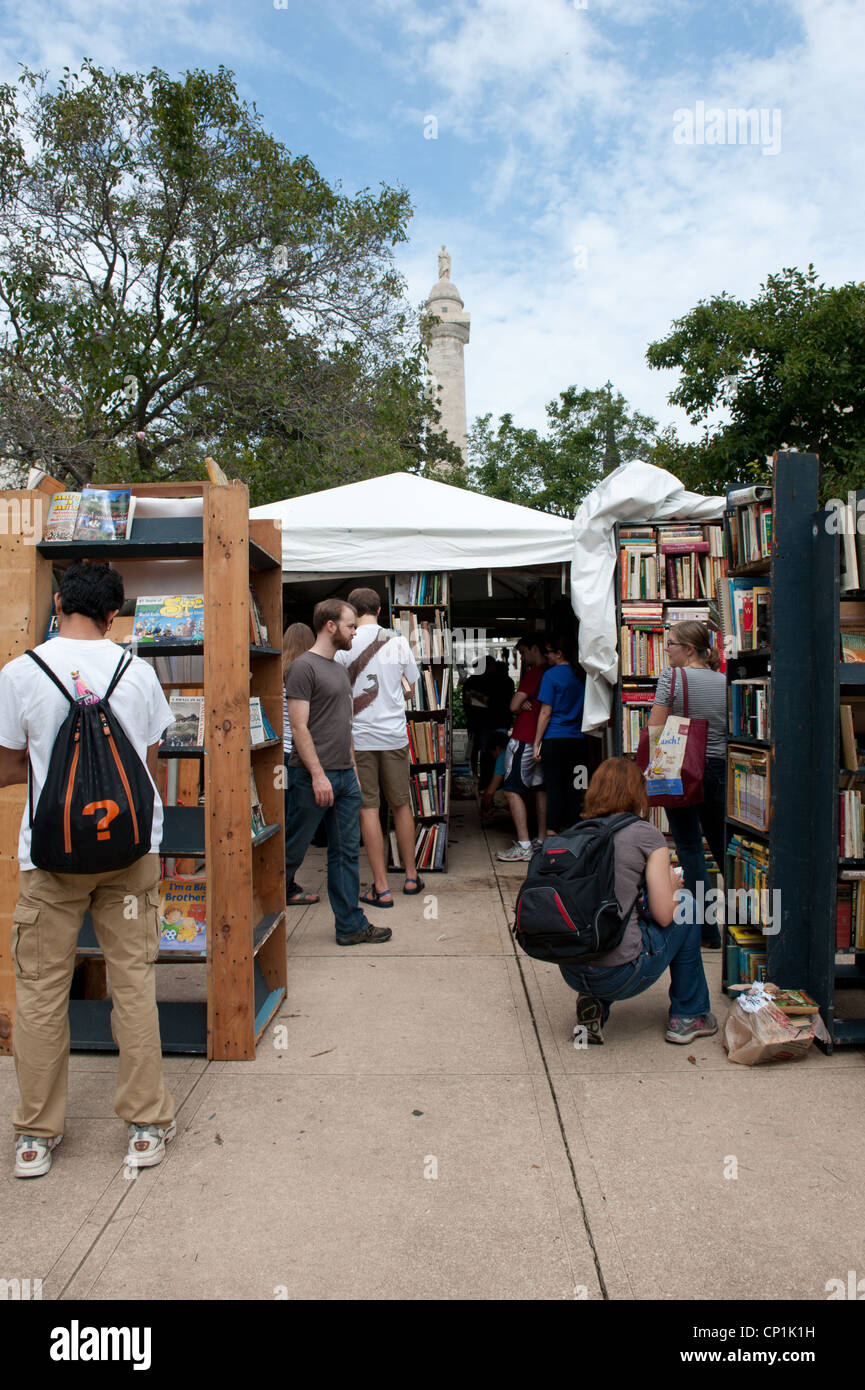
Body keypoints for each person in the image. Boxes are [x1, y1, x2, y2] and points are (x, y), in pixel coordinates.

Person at [0, 562, 176, 1178]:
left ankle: (35, 1136)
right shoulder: (139, 672)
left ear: (57, 602)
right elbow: (149, 766)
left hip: (51, 859)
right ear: (115, 614)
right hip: (130, 855)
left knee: (42, 991)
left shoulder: (20, 673)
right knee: (133, 982)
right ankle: (145, 1125)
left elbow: (6, 766)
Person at [558, 758, 717, 1047]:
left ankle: (593, 1004)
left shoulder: (577, 832)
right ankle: (688, 1015)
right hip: (620, 975)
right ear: (637, 793)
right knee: (688, 906)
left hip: (571, 969)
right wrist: (672, 886)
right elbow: (664, 915)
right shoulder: (645, 834)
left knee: (605, 920)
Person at [283, 599, 391, 946]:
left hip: (345, 776)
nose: (354, 632)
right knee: (291, 851)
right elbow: (299, 727)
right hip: (313, 777)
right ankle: (258, 912)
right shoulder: (303, 667)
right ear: (330, 626)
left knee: (345, 853)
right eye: (350, 626)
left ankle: (350, 925)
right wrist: (317, 775)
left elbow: (344, 722)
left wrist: (352, 770)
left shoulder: (338, 668)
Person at [334, 587, 423, 905]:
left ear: (352, 611)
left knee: (368, 808)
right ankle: (411, 877)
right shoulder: (398, 642)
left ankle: (381, 887)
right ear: (380, 610)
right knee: (401, 805)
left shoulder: (344, 644)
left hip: (360, 737)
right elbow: (411, 689)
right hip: (395, 735)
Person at [648, 620, 726, 948]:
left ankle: (707, 931)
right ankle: (747, 924)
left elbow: (655, 725)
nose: (665, 649)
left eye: (671, 644)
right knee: (723, 846)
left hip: (681, 769)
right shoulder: (725, 680)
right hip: (720, 769)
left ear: (689, 649)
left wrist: (651, 766)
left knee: (690, 847)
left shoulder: (673, 677)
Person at [496, 635, 549, 862]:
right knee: (539, 789)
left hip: (525, 737)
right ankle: (541, 840)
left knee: (511, 789)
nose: (522, 658)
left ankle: (524, 844)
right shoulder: (553, 671)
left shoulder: (536, 672)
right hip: (542, 739)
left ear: (534, 648)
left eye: (523, 652)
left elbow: (513, 705)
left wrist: (520, 706)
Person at [532, 632, 587, 833]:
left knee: (554, 788)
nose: (546, 656)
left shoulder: (550, 675)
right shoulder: (582, 674)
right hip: (579, 741)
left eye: (548, 652)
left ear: (559, 653)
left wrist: (536, 743)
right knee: (578, 787)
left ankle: (553, 833)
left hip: (554, 740)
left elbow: (545, 712)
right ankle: (577, 832)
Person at [281, 621, 318, 906]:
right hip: (298, 756)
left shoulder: (274, 671)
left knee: (280, 823)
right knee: (298, 825)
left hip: (274, 756)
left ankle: (280, 882)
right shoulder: (308, 673)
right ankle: (285, 884)